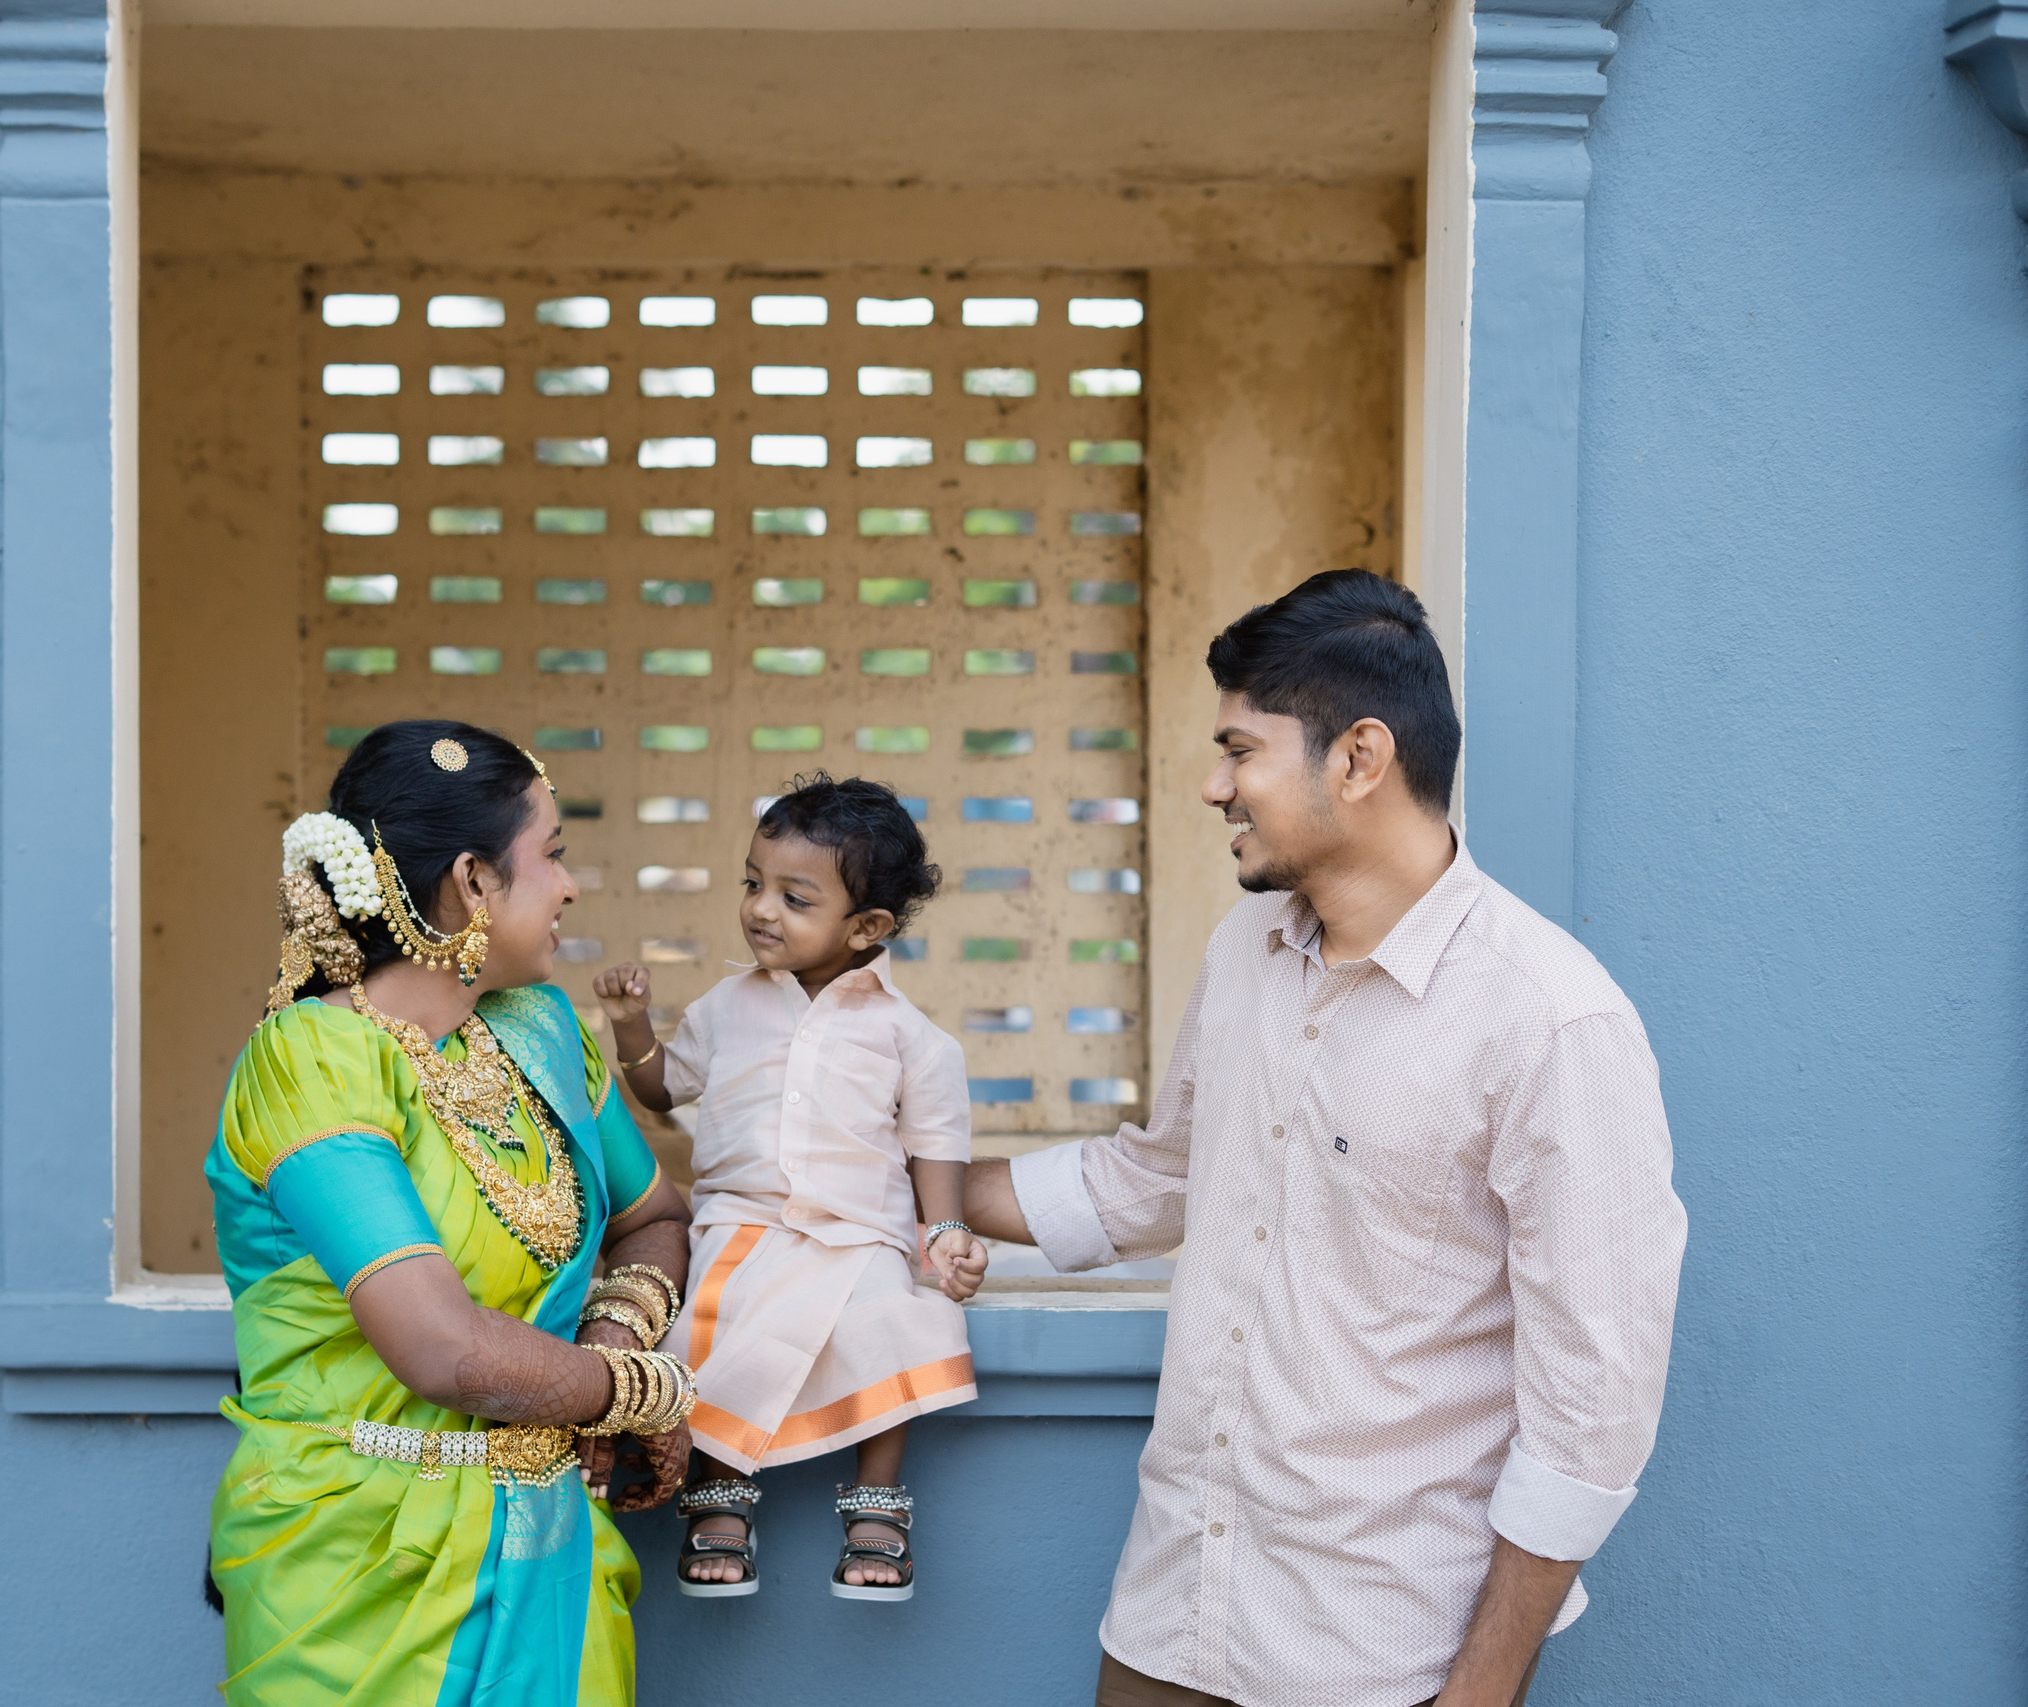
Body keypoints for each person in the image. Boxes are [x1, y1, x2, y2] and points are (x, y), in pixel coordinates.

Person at [959, 571, 1687, 1707]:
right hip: (1172, 1611)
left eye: (1239, 751)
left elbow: (1592, 1409)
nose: (1213, 787)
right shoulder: (1247, 949)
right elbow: (1153, 1181)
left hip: (1378, 1649)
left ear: (1356, 758)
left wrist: (1485, 1687)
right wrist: (898, 1181)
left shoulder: (1550, 1020)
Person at [203, 719, 700, 1707]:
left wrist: (612, 1335)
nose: (567, 885)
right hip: (357, 1570)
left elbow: (653, 1218)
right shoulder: (310, 1059)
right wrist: (635, 1392)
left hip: (553, 1547)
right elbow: (440, 1350)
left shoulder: (545, 1031)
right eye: (551, 854)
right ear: (473, 882)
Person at [595, 773, 991, 1603]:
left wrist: (946, 1232)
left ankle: (877, 1499)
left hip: (859, 1235)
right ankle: (721, 1486)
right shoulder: (727, 1007)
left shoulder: (908, 1036)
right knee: (710, 1315)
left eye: (793, 896)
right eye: (753, 882)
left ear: (867, 927)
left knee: (898, 1313)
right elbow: (665, 1090)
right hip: (743, 1225)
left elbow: (935, 1145)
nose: (760, 909)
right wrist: (634, 1029)